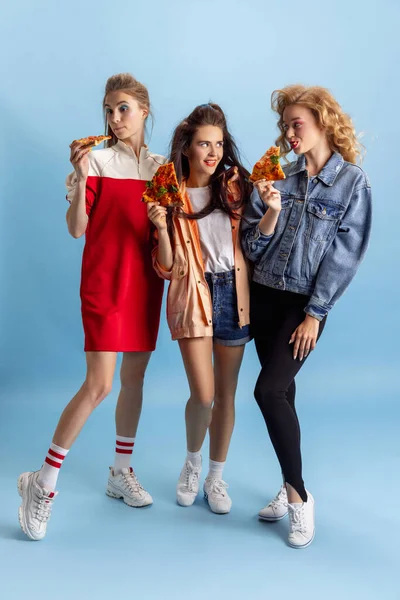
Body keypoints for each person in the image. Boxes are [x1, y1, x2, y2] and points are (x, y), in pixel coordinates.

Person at [17, 73, 166, 540]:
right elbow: (77, 228)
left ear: (144, 110)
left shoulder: (163, 168)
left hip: (146, 284)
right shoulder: (96, 160)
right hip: (104, 283)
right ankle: (41, 482)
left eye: (123, 108)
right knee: (99, 384)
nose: (114, 117)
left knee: (134, 378)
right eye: (108, 109)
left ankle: (120, 471)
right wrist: (82, 179)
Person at [241, 85, 372, 548]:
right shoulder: (278, 178)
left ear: (322, 121)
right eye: (284, 126)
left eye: (296, 123)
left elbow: (345, 254)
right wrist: (270, 214)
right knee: (285, 396)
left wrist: (315, 314)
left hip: (302, 305)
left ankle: (298, 497)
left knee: (268, 390)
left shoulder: (352, 182)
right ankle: (288, 480)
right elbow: (251, 248)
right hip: (263, 298)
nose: (288, 133)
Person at [148, 103, 253, 514]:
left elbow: (259, 239)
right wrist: (160, 226)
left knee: (227, 395)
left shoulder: (236, 187)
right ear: (187, 148)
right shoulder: (169, 195)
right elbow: (167, 268)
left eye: (219, 144)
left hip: (235, 293)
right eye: (203, 144)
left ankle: (215, 477)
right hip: (193, 292)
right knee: (204, 395)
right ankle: (191, 464)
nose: (212, 152)